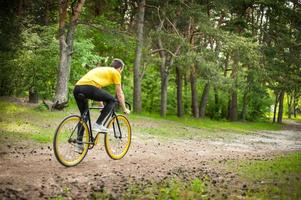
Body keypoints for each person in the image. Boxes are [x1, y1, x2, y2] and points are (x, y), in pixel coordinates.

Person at [73, 58, 130, 151]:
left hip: (77, 88)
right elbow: (119, 93)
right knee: (112, 100)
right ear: (119, 68)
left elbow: (97, 88)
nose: (121, 72)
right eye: (121, 70)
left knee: (84, 116)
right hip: (89, 88)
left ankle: (79, 144)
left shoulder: (102, 70)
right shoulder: (116, 72)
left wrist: (101, 106)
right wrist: (124, 108)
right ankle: (98, 124)